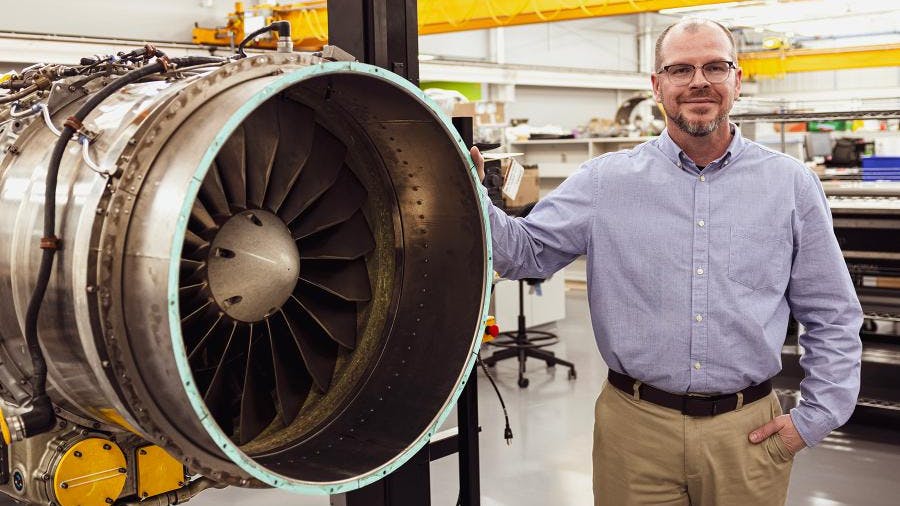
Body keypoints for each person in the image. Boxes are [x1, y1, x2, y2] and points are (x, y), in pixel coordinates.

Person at [471, 17, 862, 506]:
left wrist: (814, 419)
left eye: (714, 67)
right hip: (635, 433)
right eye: (680, 69)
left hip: (748, 436)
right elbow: (523, 252)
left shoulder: (790, 185)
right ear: (657, 86)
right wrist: (465, 191)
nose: (698, 81)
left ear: (737, 80)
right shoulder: (604, 183)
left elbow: (833, 312)